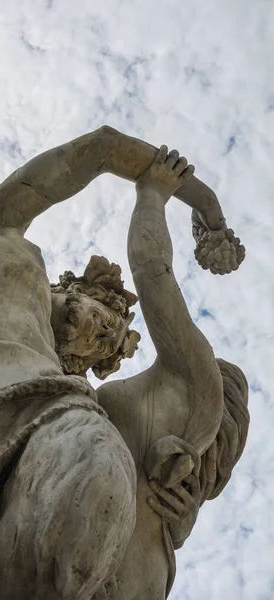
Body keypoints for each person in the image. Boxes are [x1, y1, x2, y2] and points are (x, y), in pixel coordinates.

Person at [0, 127, 243, 599]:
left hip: (34, 438)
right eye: (106, 317)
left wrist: (176, 511)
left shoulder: (75, 407)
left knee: (95, 458)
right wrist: (181, 191)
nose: (106, 335)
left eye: (107, 348)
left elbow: (148, 471)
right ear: (66, 288)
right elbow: (96, 149)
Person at [95, 146, 249, 599]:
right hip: (142, 569)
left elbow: (151, 269)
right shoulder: (184, 440)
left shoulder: (191, 383)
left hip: (99, 552)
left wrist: (154, 193)